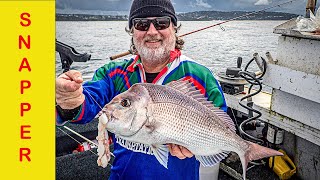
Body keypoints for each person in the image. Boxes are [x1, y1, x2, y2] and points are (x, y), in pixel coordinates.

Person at [56, 0, 227, 179]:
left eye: (161, 22)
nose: (152, 31)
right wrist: (70, 101)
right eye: (141, 24)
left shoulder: (200, 76)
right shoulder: (114, 73)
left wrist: (198, 146)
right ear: (132, 31)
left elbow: (220, 126)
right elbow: (90, 102)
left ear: (174, 28)